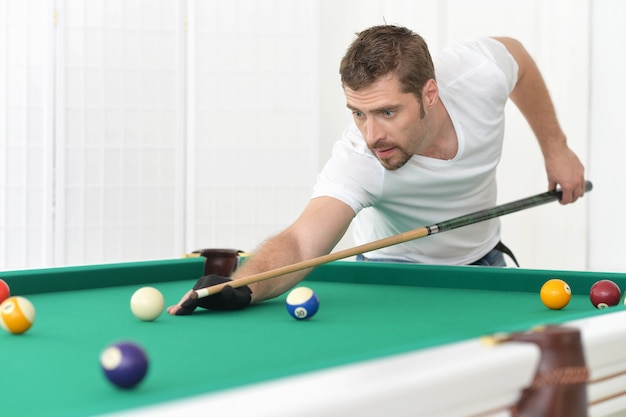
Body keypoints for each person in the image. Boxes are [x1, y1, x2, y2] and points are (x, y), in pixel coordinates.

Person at [167, 25, 586, 315]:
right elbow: (300, 241)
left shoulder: (479, 73)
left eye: (387, 112)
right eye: (358, 114)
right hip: (392, 277)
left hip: (483, 264)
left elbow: (519, 60)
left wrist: (557, 149)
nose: (372, 135)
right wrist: (243, 287)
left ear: (430, 94)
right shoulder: (360, 160)